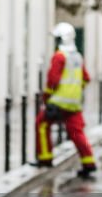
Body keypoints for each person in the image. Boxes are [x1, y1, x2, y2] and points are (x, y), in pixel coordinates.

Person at [35, 22, 96, 176]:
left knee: (41, 125)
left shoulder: (59, 56)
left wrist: (47, 97)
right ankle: (89, 162)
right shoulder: (77, 57)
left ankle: (45, 158)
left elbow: (53, 80)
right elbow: (85, 78)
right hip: (74, 104)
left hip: (58, 102)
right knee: (77, 132)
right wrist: (74, 92)